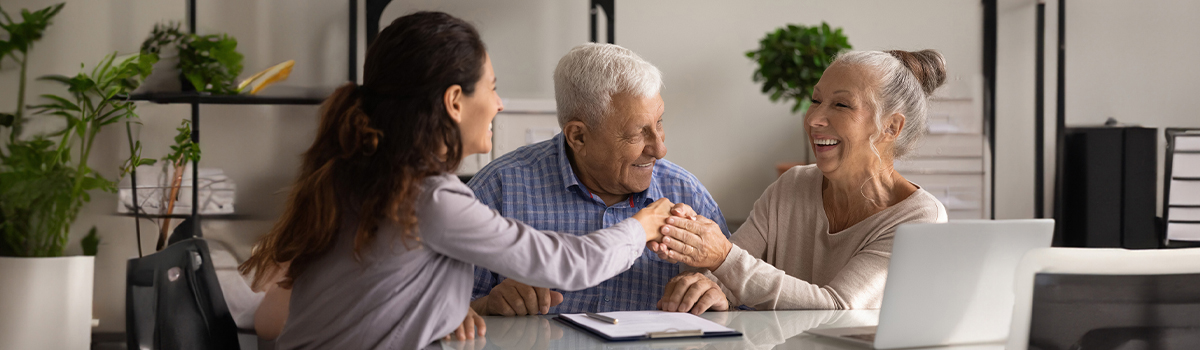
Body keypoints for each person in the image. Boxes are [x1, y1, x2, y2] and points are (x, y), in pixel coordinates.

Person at [238, 12, 676, 349]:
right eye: (491, 87)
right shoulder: (426, 196)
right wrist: (643, 226)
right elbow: (566, 263)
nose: (500, 104)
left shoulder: (354, 175)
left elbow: (373, 289)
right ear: (454, 101)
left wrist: (443, 309)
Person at [650, 50, 950, 313]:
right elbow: (727, 275)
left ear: (891, 127)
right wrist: (705, 287)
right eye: (815, 100)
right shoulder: (792, 185)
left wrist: (722, 258)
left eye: (841, 105)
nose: (814, 119)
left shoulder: (920, 218)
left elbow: (837, 309)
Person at [467, 43, 731, 316]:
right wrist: (487, 306)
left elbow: (745, 305)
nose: (660, 149)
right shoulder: (498, 191)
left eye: (659, 123)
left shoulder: (687, 194)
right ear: (578, 136)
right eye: (637, 133)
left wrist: (721, 300)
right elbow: (438, 314)